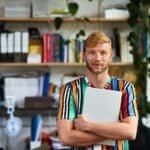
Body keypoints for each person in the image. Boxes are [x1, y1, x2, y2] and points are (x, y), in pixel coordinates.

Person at [57, 32, 138, 150]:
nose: (97, 58)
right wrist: (115, 132)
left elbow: (130, 132)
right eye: (92, 52)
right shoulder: (69, 90)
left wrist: (88, 126)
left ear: (110, 56)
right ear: (85, 55)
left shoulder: (125, 88)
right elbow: (65, 138)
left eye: (103, 53)